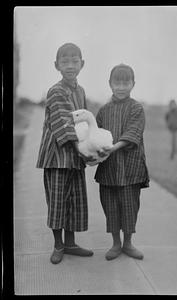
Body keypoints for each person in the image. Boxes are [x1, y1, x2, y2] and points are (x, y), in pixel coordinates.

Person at [36, 43, 94, 264]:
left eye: (74, 61)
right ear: (57, 65)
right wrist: (87, 149)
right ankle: (58, 245)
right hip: (57, 157)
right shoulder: (56, 91)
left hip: (75, 156)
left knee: (75, 201)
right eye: (65, 61)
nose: (70, 65)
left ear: (82, 64)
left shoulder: (81, 91)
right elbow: (64, 125)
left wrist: (91, 145)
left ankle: (70, 244)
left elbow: (85, 121)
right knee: (58, 201)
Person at [94, 64, 150, 261]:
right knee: (110, 206)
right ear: (110, 84)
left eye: (126, 83)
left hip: (130, 168)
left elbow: (133, 133)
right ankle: (116, 243)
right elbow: (96, 134)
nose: (121, 87)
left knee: (129, 206)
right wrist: (93, 153)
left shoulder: (136, 108)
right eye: (117, 82)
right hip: (108, 168)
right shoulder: (103, 111)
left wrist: (114, 147)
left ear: (133, 84)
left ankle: (128, 243)